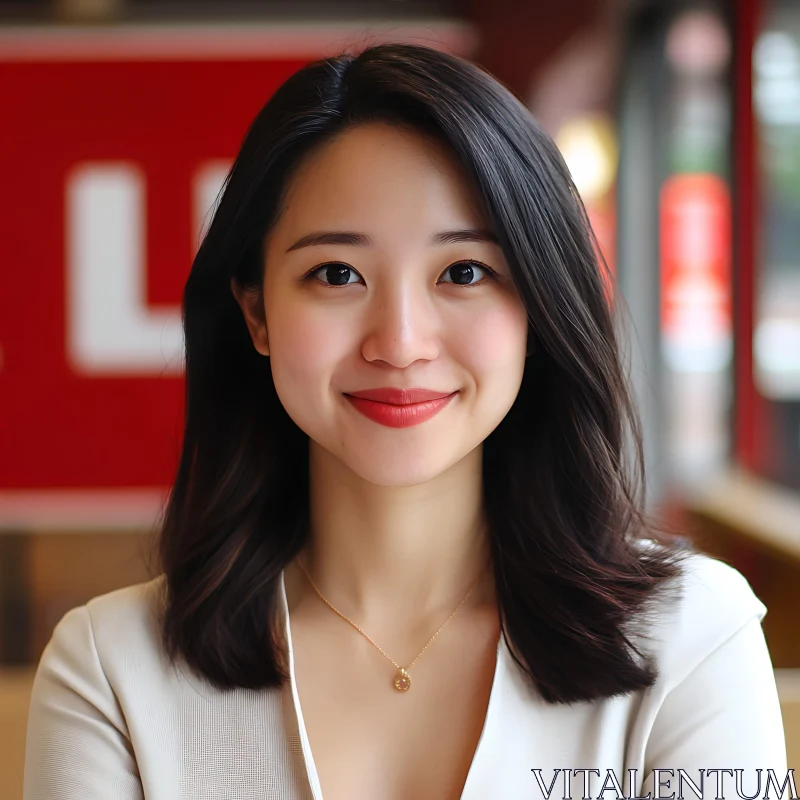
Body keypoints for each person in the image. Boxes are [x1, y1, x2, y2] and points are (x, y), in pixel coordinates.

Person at [23, 43, 787, 800]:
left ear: (538, 306)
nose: (399, 343)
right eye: (337, 274)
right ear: (256, 311)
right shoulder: (110, 674)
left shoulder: (694, 642)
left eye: (463, 273)